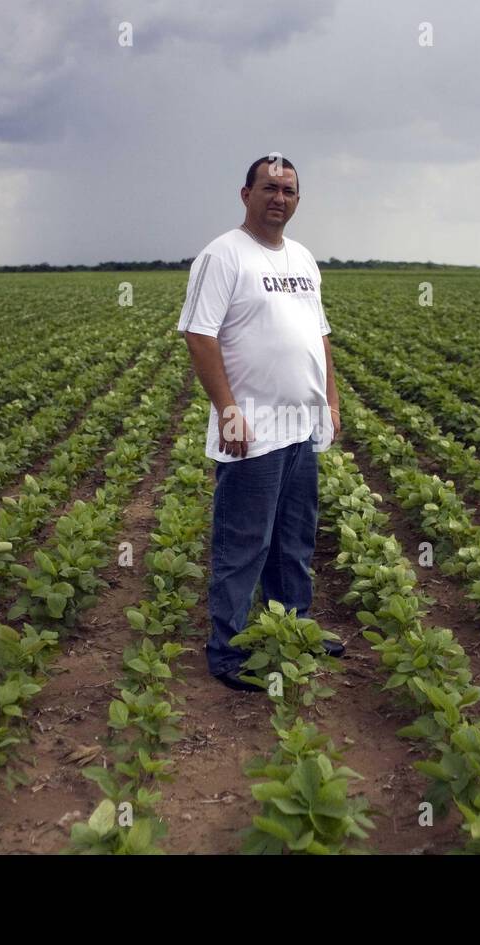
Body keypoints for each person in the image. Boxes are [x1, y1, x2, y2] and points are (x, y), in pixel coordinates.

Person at [177, 153, 343, 692]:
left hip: (301, 427)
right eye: (269, 187)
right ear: (245, 193)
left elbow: (320, 337)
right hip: (252, 429)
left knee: (294, 541)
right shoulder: (223, 256)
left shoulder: (302, 259)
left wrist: (331, 404)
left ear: (298, 201)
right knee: (243, 543)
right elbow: (200, 336)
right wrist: (228, 410)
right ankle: (227, 651)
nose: (279, 198)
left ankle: (290, 629)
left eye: (288, 191)